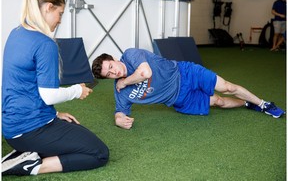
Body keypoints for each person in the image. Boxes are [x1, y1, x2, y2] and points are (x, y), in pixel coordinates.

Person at [2, 0, 109, 176]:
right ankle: (30, 165)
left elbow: (23, 86)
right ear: (48, 8)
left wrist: (55, 114)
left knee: (74, 128)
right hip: (30, 130)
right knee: (99, 153)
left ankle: (25, 154)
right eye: (60, 13)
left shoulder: (16, 33)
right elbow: (49, 95)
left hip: (12, 128)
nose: (60, 21)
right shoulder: (44, 44)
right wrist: (77, 90)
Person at [92, 48, 285, 130]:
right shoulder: (120, 91)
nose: (113, 73)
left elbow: (145, 73)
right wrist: (119, 121)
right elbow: (119, 110)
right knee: (218, 101)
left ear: (114, 59)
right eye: (108, 75)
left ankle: (263, 104)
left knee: (226, 87)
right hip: (180, 99)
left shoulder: (130, 55)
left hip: (185, 73)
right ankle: (247, 103)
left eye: (111, 67)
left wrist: (125, 82)